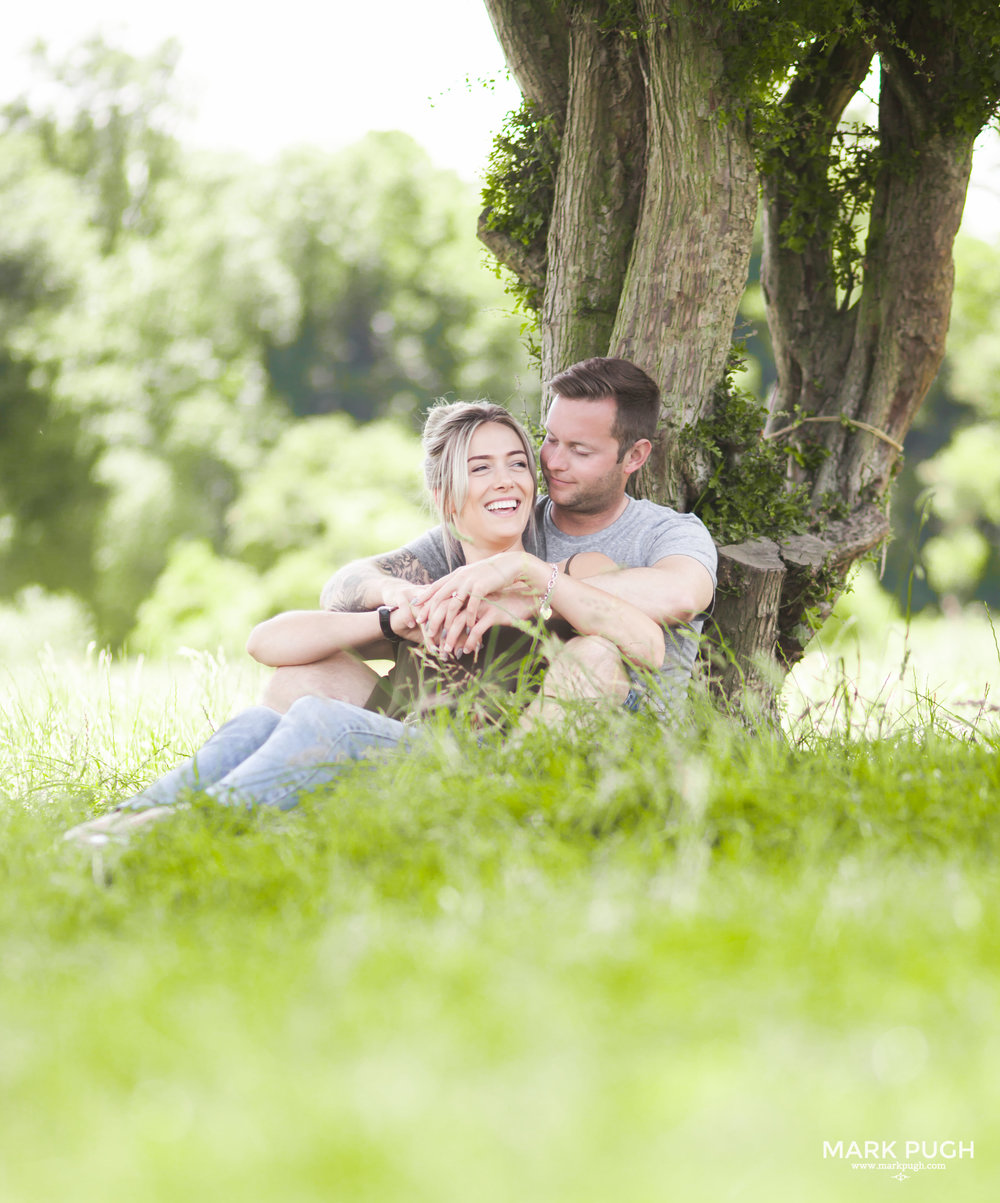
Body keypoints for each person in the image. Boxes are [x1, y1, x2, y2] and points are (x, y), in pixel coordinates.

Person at [64, 401, 663, 846]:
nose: (506, 480)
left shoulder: (567, 569)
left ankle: (179, 832)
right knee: (262, 716)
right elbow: (265, 643)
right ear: (445, 495)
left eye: (516, 464)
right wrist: (390, 617)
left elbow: (645, 646)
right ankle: (118, 824)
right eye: (480, 468)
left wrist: (533, 576)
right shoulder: (424, 584)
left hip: (475, 767)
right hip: (395, 755)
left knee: (327, 722)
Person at [263, 357, 717, 717]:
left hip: (615, 718)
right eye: (550, 441)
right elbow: (341, 591)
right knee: (299, 683)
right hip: (463, 721)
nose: (554, 462)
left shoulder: (664, 532)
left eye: (579, 450)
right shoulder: (497, 520)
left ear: (634, 456)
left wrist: (529, 589)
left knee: (592, 652)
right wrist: (397, 599)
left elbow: (679, 595)